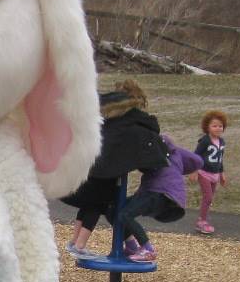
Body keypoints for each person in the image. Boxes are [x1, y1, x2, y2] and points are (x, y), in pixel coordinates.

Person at [61, 80, 170, 258]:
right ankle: (79, 245)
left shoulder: (106, 118)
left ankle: (76, 242)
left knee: (93, 204)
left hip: (93, 167)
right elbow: (150, 127)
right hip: (108, 173)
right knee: (99, 204)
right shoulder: (133, 119)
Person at [117, 132, 204, 263]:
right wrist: (180, 169)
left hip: (159, 193)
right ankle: (131, 247)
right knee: (114, 211)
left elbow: (142, 164)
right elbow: (198, 161)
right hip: (170, 197)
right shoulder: (176, 152)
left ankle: (148, 249)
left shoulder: (153, 150)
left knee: (125, 214)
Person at [193, 110, 230, 234]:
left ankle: (203, 219)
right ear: (207, 127)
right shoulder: (204, 141)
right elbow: (196, 156)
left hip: (215, 174)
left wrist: (222, 173)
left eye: (220, 126)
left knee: (209, 199)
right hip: (203, 173)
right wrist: (194, 171)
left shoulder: (222, 142)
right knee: (207, 197)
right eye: (214, 126)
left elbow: (220, 159)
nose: (218, 128)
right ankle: (201, 222)